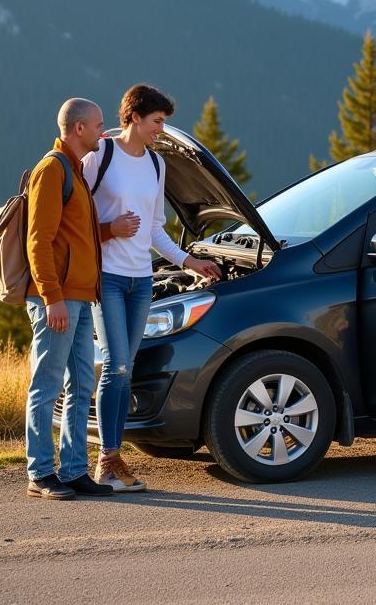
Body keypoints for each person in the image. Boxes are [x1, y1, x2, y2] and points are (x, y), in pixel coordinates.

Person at [84, 84, 222, 492]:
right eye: (157, 122)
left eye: (164, 123)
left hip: (141, 280)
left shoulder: (157, 166)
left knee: (126, 369)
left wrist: (190, 261)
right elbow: (76, 218)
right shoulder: (101, 156)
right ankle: (106, 461)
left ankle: (111, 457)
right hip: (105, 277)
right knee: (117, 365)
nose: (162, 130)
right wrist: (111, 230)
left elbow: (156, 230)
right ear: (134, 117)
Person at [24, 98, 114, 500]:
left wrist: (111, 230)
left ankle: (75, 470)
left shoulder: (76, 172)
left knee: (80, 386)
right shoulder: (52, 170)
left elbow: (77, 236)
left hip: (81, 298)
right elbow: (38, 241)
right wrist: (52, 298)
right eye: (98, 124)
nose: (103, 130)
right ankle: (41, 473)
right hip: (58, 301)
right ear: (78, 129)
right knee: (47, 387)